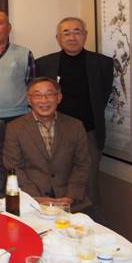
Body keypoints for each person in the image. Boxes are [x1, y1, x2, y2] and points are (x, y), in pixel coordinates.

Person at [35, 17, 113, 206]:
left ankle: (87, 220)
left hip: (88, 132)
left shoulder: (102, 63)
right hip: (52, 132)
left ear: (85, 35)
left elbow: (102, 96)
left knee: (88, 183)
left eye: (77, 32)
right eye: (66, 33)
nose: (72, 37)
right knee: (54, 181)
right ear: (58, 38)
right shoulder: (44, 63)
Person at [3, 77, 91, 212]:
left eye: (49, 94)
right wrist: (36, 197)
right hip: (31, 201)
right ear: (29, 100)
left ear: (59, 98)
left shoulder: (75, 126)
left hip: (70, 201)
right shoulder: (14, 128)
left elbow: (82, 164)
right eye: (37, 95)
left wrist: (70, 196)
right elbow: (13, 167)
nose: (44, 100)